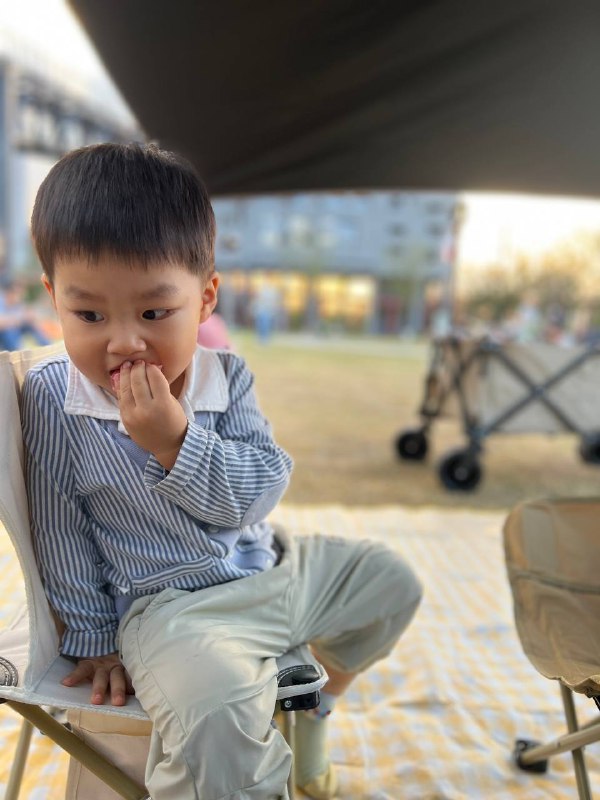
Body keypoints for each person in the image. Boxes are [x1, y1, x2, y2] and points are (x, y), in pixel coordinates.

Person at [22, 143, 422, 800]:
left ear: (205, 298)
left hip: (272, 573)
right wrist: (93, 637)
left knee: (390, 580)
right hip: (173, 611)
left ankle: (315, 708)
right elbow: (59, 526)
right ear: (53, 299)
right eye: (89, 315)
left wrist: (176, 442)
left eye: (154, 313)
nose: (123, 341)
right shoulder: (54, 399)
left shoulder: (226, 377)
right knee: (215, 719)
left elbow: (258, 494)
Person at [0, 279, 51, 351]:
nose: (20, 295)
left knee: (32, 325)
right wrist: (19, 319)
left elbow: (28, 315)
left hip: (17, 327)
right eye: (17, 293)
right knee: (10, 330)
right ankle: (18, 352)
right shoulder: (2, 302)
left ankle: (47, 346)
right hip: (5, 332)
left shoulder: (18, 302)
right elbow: (1, 323)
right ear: (9, 293)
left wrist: (30, 317)